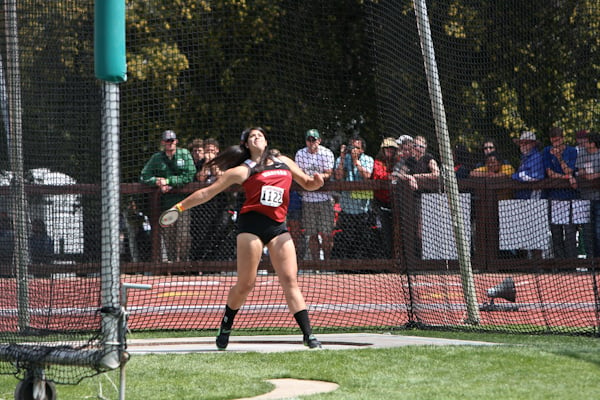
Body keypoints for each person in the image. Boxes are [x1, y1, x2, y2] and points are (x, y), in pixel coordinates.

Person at [161, 127, 324, 349]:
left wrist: (317, 183)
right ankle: (226, 326)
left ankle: (309, 336)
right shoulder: (243, 170)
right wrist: (179, 207)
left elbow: (306, 182)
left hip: (278, 227)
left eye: (260, 135)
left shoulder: (284, 161)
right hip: (251, 227)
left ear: (266, 141)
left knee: (290, 280)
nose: (257, 138)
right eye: (251, 137)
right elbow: (207, 193)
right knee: (246, 284)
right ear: (246, 145)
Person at [140, 130, 196, 262]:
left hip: (183, 204)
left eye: (172, 141)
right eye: (167, 141)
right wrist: (157, 181)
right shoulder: (157, 158)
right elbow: (144, 176)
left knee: (183, 236)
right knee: (168, 236)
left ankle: (183, 263)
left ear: (176, 141)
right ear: (162, 143)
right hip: (165, 204)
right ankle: (171, 266)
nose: (169, 143)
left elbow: (189, 175)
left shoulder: (185, 154)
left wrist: (169, 181)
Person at [294, 129, 335, 261]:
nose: (311, 142)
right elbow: (299, 173)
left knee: (327, 234)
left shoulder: (326, 153)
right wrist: (310, 180)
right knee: (311, 234)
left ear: (319, 140)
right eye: (309, 140)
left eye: (314, 139)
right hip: (307, 200)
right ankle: (316, 263)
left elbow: (329, 173)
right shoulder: (300, 154)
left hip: (325, 199)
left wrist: (316, 178)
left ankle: (327, 263)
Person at [332, 136, 374, 259]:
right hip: (347, 208)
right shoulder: (343, 159)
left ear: (362, 150)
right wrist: (343, 157)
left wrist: (356, 162)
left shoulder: (368, 159)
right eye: (352, 147)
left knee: (364, 239)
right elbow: (338, 177)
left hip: (363, 208)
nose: (353, 150)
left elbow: (367, 175)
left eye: (357, 148)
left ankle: (365, 267)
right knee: (347, 239)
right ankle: (347, 268)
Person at [542, 126, 578, 259]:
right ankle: (560, 264)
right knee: (556, 232)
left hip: (569, 197)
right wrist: (566, 178)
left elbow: (569, 170)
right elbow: (550, 173)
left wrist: (559, 157)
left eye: (558, 140)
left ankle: (572, 263)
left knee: (570, 232)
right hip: (554, 196)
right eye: (553, 140)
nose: (555, 143)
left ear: (563, 138)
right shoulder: (546, 151)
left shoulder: (572, 151)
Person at [371, 137, 399, 258]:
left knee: (397, 233)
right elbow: (378, 175)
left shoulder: (397, 162)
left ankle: (396, 258)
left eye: (392, 149)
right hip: (381, 203)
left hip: (396, 203)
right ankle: (386, 259)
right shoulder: (377, 162)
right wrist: (391, 176)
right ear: (383, 149)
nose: (390, 151)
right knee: (384, 232)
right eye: (387, 148)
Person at [575, 131, 600, 257]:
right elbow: (579, 171)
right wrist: (585, 174)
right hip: (585, 198)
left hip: (598, 198)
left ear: (593, 143)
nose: (584, 143)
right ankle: (591, 262)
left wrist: (595, 175)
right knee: (587, 231)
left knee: (598, 229)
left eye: (587, 141)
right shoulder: (582, 154)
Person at [511, 131, 545, 199]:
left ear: (533, 144)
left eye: (526, 143)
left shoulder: (536, 157)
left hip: (534, 198)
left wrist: (514, 176)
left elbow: (534, 176)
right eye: (521, 143)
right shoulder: (524, 158)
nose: (523, 145)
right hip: (522, 196)